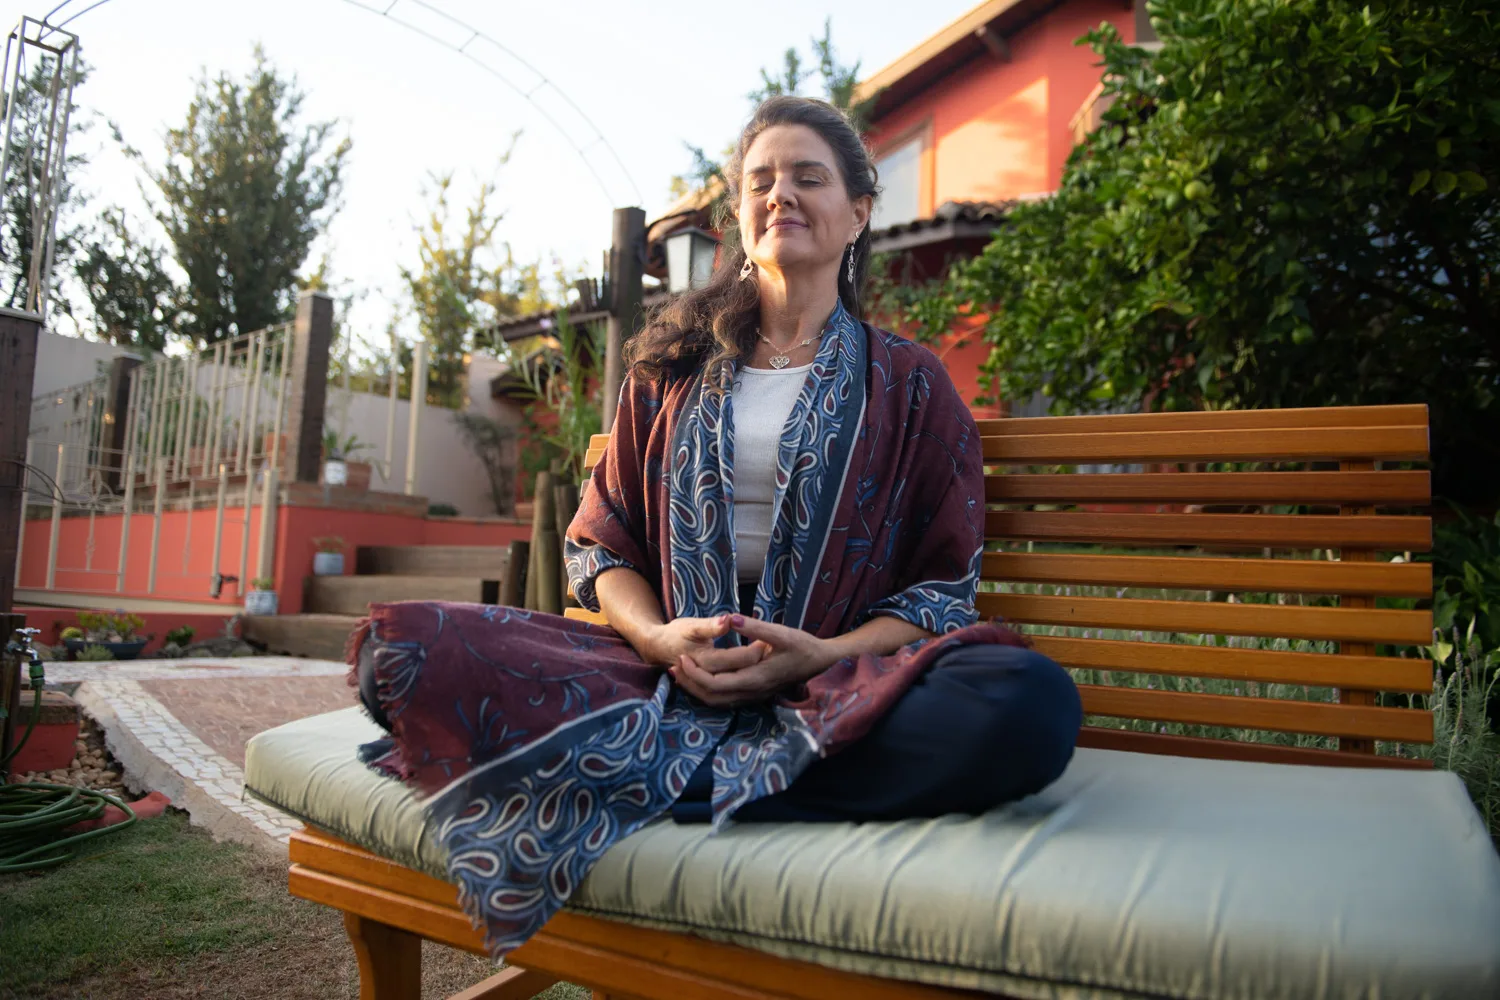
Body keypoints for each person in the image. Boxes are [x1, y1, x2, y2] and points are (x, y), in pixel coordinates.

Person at [352, 96, 1080, 958]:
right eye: (761, 181)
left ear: (858, 212)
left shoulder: (913, 385)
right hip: (664, 673)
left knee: (1029, 705)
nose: (782, 194)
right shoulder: (671, 371)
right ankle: (725, 772)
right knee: (392, 659)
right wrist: (659, 640)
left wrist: (820, 655)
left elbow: (940, 590)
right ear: (740, 215)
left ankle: (638, 775)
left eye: (808, 177)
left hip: (838, 686)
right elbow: (601, 542)